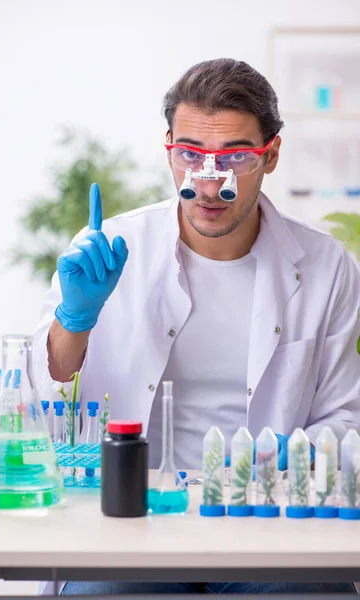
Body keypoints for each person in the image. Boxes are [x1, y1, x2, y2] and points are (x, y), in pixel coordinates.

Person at [33, 58, 359, 595]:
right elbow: (42, 405)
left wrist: (289, 450)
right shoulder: (109, 248)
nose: (209, 183)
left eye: (234, 156)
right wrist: (75, 319)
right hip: (128, 529)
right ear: (169, 148)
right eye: (190, 155)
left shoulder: (325, 268)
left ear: (271, 155)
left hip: (268, 529)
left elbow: (346, 415)